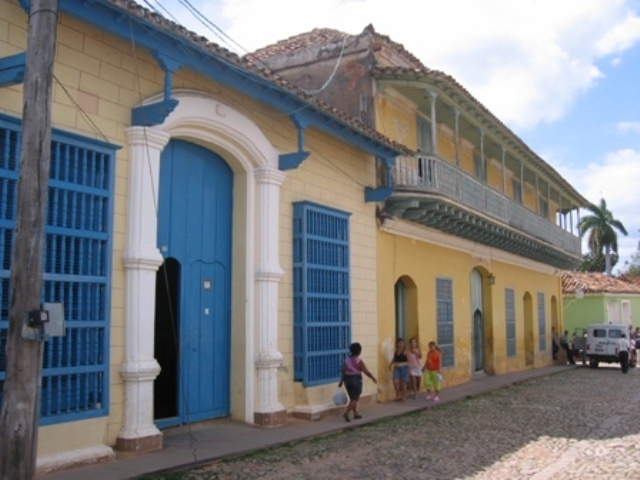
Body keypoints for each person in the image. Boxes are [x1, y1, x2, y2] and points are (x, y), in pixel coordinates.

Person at [338, 342, 377, 422]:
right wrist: (372, 377)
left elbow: (343, 371)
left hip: (347, 380)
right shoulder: (359, 361)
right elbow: (365, 371)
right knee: (355, 398)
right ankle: (347, 412)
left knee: (352, 397)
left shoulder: (346, 360)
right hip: (356, 379)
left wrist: (341, 381)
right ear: (359, 351)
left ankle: (355, 413)